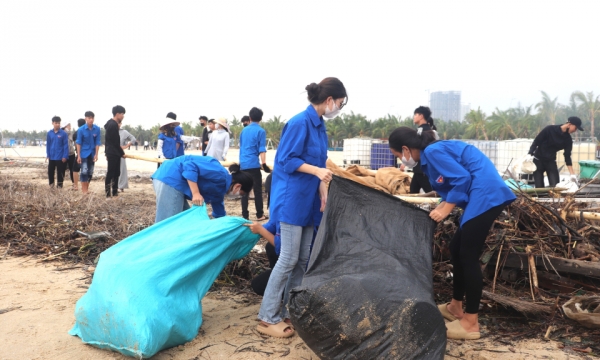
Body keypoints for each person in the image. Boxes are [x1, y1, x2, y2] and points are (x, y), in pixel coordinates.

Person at [388, 127, 516, 340]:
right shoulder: (429, 160)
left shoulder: (432, 152)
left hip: (485, 195)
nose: (402, 160)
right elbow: (449, 189)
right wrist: (441, 206)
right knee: (457, 250)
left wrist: (446, 210)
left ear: (405, 149)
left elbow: (462, 179)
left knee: (468, 256)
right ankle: (456, 307)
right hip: (480, 196)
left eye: (399, 155)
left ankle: (471, 323)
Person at [256, 77, 346, 338]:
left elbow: (318, 164)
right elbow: (285, 160)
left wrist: (322, 189)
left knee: (303, 260)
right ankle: (266, 317)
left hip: (308, 200)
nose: (338, 108)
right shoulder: (299, 122)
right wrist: (318, 172)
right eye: (339, 103)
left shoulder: (319, 127)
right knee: (288, 259)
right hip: (292, 198)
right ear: (329, 100)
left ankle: (289, 311)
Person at [151, 156, 253, 223]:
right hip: (170, 177)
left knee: (188, 221)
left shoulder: (220, 192)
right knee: (167, 223)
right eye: (241, 194)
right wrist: (196, 193)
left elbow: (220, 214)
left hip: (174, 182)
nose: (238, 196)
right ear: (237, 186)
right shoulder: (219, 173)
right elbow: (189, 166)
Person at [528, 117, 583, 188]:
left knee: (556, 186)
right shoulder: (549, 129)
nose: (575, 131)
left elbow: (567, 156)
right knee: (539, 187)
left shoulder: (568, 140)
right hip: (538, 160)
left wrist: (572, 174)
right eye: (575, 128)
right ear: (569, 124)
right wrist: (529, 154)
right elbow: (536, 141)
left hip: (551, 161)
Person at [239, 107, 270, 220]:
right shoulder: (260, 131)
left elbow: (242, 147)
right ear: (260, 119)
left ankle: (244, 216)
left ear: (250, 118)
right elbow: (262, 149)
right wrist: (264, 164)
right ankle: (260, 214)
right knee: (257, 191)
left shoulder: (244, 131)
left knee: (244, 191)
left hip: (243, 164)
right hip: (253, 165)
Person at [410, 106, 436, 194]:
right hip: (423, 167)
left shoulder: (420, 130)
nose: (414, 117)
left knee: (430, 191)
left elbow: (415, 146)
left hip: (422, 167)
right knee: (413, 190)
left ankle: (443, 205)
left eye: (415, 114)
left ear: (421, 116)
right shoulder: (431, 131)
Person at [76, 111, 101, 194]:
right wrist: (78, 156)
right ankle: (84, 191)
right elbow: (78, 143)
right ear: (85, 118)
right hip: (84, 154)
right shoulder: (81, 130)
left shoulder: (97, 129)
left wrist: (96, 154)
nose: (91, 120)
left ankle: (86, 188)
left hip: (92, 153)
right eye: (89, 118)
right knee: (84, 171)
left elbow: (97, 142)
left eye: (92, 118)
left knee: (90, 172)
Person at [104, 105, 126, 198]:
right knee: (111, 173)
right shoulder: (112, 125)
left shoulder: (111, 124)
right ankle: (108, 194)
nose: (123, 116)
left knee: (116, 172)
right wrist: (122, 153)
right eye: (122, 114)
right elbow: (115, 142)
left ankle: (115, 192)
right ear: (117, 114)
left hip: (114, 152)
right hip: (113, 152)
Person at [46, 116, 69, 188]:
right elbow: (48, 145)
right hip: (52, 157)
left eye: (59, 123)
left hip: (60, 157)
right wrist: (48, 155)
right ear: (52, 123)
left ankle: (59, 186)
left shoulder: (63, 134)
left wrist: (65, 156)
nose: (57, 124)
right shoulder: (49, 133)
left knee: (60, 173)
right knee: (50, 172)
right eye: (56, 123)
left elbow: (66, 145)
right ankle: (51, 185)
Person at [118, 123, 136, 192]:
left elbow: (133, 139)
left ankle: (121, 187)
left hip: (121, 153)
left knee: (121, 170)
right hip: (112, 153)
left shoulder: (124, 132)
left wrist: (126, 146)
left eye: (119, 123)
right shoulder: (111, 131)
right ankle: (113, 185)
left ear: (121, 124)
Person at [70, 118, 85, 190]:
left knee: (75, 170)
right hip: (87, 153)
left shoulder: (76, 133)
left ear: (78, 124)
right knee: (85, 170)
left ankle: (75, 186)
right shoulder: (87, 131)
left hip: (80, 154)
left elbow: (76, 144)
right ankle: (85, 187)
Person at [61, 122, 77, 189]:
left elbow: (73, 142)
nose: (70, 127)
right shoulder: (61, 133)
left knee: (72, 169)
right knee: (62, 169)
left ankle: (74, 184)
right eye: (69, 125)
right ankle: (60, 184)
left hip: (71, 153)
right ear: (65, 126)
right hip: (63, 154)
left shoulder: (71, 133)